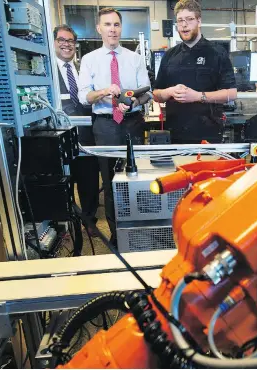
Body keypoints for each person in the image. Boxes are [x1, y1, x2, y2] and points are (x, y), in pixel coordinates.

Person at [78, 8, 151, 245]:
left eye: (116, 24)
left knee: (135, 177)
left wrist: (132, 103)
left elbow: (147, 93)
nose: (112, 29)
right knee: (110, 183)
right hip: (105, 126)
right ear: (99, 28)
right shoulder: (89, 60)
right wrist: (103, 92)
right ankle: (117, 234)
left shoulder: (135, 59)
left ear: (121, 28)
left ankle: (139, 230)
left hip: (132, 123)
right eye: (107, 24)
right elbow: (83, 97)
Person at [153, 0, 237, 144]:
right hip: (175, 135)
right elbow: (156, 95)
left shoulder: (217, 53)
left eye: (189, 19)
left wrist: (197, 96)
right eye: (180, 21)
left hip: (208, 135)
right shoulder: (169, 55)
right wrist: (169, 92)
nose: (184, 25)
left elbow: (231, 93)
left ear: (199, 21)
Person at [53, 24, 100, 237]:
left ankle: (89, 219)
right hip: (59, 137)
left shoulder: (85, 67)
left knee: (89, 180)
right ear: (54, 43)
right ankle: (63, 222)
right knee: (63, 181)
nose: (66, 45)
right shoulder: (46, 71)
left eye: (70, 41)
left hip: (86, 136)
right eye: (62, 40)